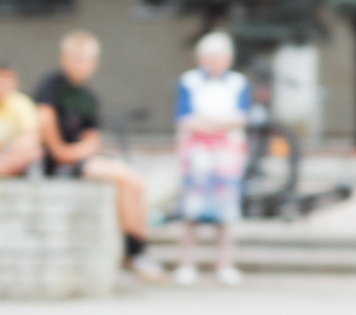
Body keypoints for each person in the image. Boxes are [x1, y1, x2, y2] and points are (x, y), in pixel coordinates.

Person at [34, 30, 161, 279]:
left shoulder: (88, 97)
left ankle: (135, 246)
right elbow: (44, 122)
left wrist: (75, 152)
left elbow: (92, 139)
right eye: (77, 58)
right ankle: (135, 251)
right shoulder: (52, 85)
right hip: (56, 163)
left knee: (134, 181)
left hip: (77, 159)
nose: (82, 64)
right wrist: (62, 152)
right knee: (124, 179)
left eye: (87, 59)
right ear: (64, 58)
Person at [173, 31, 250, 285]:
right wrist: (218, 126)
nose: (214, 61)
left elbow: (240, 117)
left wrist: (208, 125)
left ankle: (224, 264)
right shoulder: (189, 81)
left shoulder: (238, 83)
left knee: (226, 213)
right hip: (196, 155)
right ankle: (187, 264)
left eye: (219, 56)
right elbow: (184, 118)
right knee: (191, 212)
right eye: (209, 56)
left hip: (227, 156)